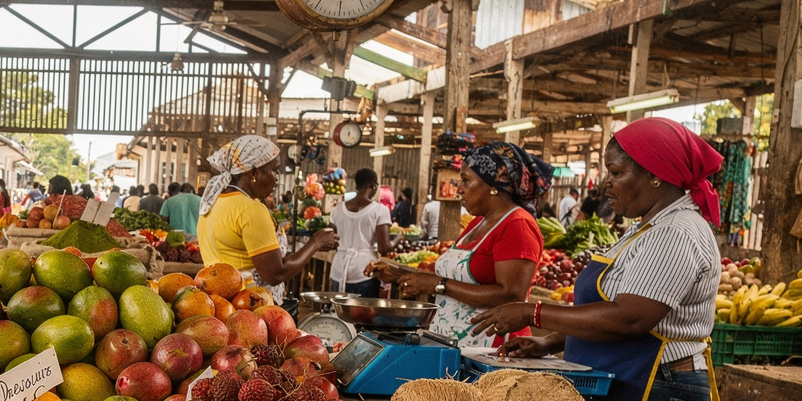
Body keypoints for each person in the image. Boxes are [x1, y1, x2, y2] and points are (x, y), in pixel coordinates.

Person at [472, 117, 725, 401]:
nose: (606, 183)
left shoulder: (675, 232)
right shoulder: (647, 227)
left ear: (655, 175)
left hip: (657, 385)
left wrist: (531, 313)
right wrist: (550, 343)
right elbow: (610, 308)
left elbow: (629, 317)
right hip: (631, 374)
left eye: (616, 173)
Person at [371, 142, 545, 346]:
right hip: (457, 342)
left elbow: (511, 295)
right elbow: (457, 277)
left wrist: (439, 285)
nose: (459, 189)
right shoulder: (478, 222)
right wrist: (400, 274)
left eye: (466, 180)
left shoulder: (518, 225)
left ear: (493, 186)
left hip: (494, 347)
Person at [196, 136, 335, 288]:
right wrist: (315, 243)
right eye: (274, 170)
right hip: (249, 298)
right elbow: (276, 274)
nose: (277, 178)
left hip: (218, 297)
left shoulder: (213, 202)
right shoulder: (251, 210)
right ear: (254, 173)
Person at [330, 169, 393, 297]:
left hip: (339, 270)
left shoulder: (338, 209)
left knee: (338, 309)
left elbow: (331, 242)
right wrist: (398, 239)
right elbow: (384, 248)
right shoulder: (379, 210)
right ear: (373, 184)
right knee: (362, 310)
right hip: (364, 272)